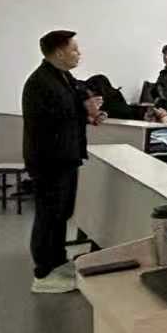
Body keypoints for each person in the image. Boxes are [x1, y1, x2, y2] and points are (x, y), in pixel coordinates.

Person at [22, 30, 100, 295]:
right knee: (48, 215)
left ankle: (57, 261)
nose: (79, 54)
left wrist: (90, 111)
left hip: (65, 157)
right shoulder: (41, 83)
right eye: (74, 49)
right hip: (50, 161)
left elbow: (78, 96)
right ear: (59, 53)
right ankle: (43, 272)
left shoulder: (62, 77)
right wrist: (85, 110)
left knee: (60, 214)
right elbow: (55, 119)